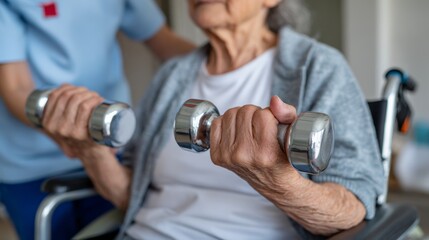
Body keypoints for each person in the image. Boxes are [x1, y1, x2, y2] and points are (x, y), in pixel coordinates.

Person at [39, 0, 385, 239]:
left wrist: (276, 181)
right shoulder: (173, 74)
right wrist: (91, 150)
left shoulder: (318, 66)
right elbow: (132, 195)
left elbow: (355, 206)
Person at [0, 0, 194, 239]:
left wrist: (245, 67)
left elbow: (163, 41)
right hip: (31, 164)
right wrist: (70, 131)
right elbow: (16, 87)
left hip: (110, 145)